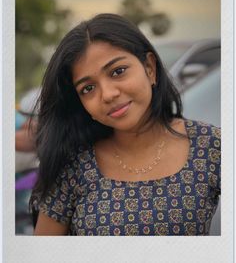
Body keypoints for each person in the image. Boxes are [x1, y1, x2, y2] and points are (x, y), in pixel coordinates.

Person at [30, 13, 221, 236]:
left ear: (149, 68)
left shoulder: (210, 145)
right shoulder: (73, 163)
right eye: (88, 89)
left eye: (118, 71)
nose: (108, 94)